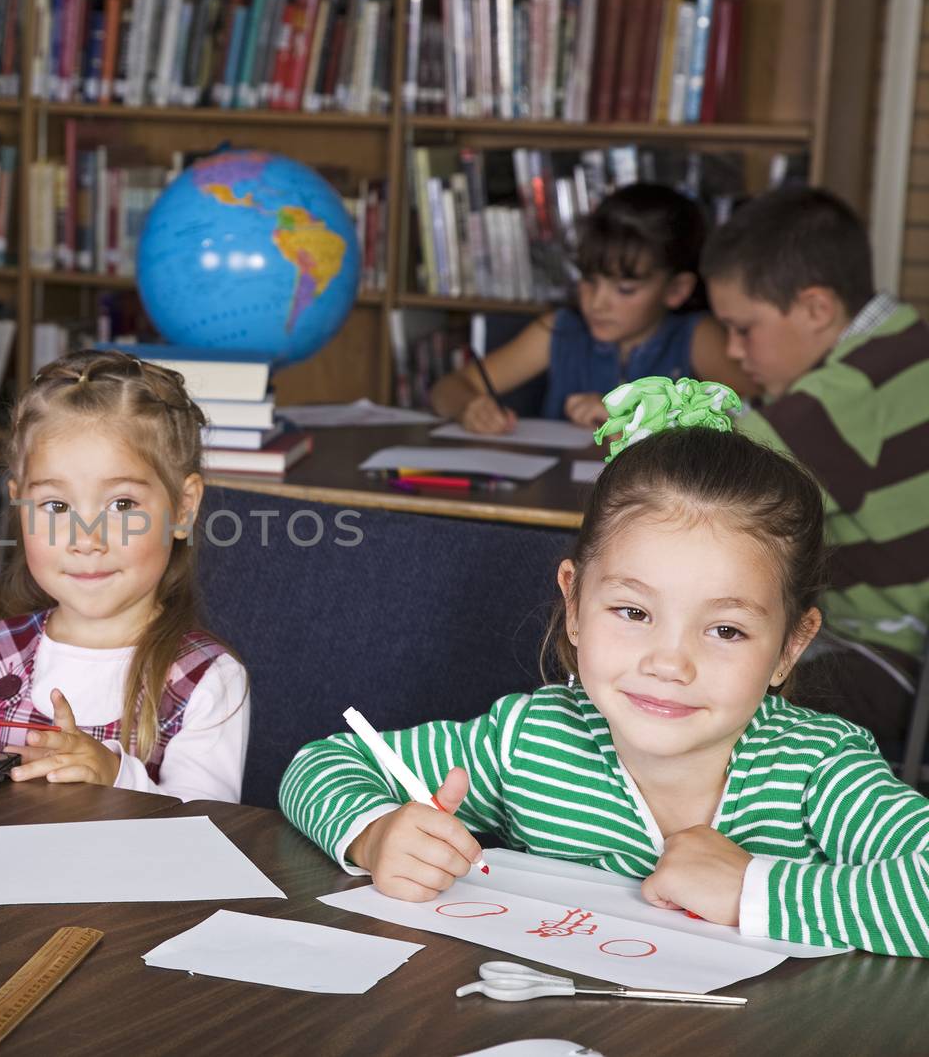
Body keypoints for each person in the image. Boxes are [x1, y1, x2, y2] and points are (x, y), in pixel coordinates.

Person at [280, 384, 929, 956]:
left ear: (791, 645)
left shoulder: (819, 766)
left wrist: (753, 890)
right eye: (632, 610)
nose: (670, 662)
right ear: (575, 605)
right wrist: (374, 833)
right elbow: (321, 763)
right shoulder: (530, 738)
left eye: (726, 629)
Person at [0, 350, 250, 802]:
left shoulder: (205, 680)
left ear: (184, 507)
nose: (86, 539)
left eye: (121, 505)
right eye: (56, 506)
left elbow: (207, 832)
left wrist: (116, 776)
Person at [701, 185, 929, 749]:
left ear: (816, 309)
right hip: (903, 648)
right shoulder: (907, 342)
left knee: (697, 687)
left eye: (744, 327)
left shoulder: (848, 392)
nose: (733, 351)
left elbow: (704, 476)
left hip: (886, 659)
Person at [430, 183, 750, 433]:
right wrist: (469, 407)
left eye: (624, 289)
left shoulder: (697, 337)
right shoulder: (560, 329)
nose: (597, 303)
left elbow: (757, 420)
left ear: (677, 290)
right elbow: (448, 388)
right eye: (589, 281)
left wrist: (644, 419)